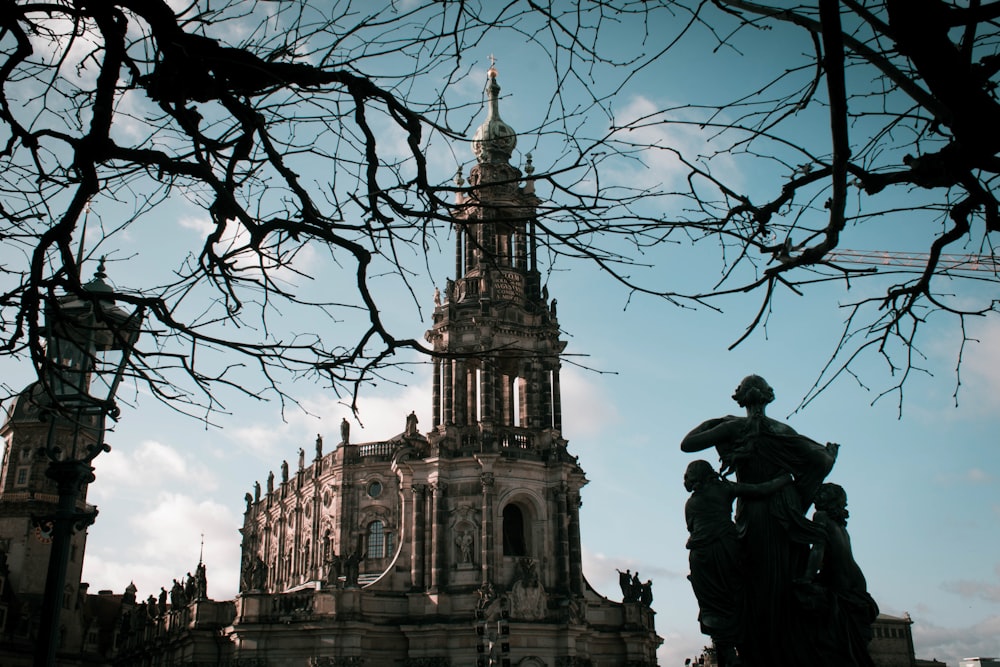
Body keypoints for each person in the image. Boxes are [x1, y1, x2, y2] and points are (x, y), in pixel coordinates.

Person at [680, 375, 837, 666]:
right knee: (783, 577)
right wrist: (794, 489)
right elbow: (823, 462)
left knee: (749, 579)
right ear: (768, 397)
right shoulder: (783, 429)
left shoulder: (733, 427)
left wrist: (716, 423)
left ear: (739, 399)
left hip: (751, 510)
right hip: (784, 508)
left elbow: (688, 444)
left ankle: (755, 649)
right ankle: (788, 648)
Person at [683, 458, 792, 667]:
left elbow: (692, 528)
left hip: (700, 557)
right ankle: (743, 646)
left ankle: (726, 651)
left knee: (711, 605)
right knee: (735, 596)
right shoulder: (723, 489)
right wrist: (784, 479)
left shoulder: (691, 503)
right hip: (725, 549)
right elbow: (760, 490)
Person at [797, 483, 879, 667]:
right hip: (856, 583)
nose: (816, 496)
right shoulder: (840, 525)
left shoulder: (821, 517)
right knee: (852, 645)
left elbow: (818, 548)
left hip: (839, 583)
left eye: (821, 494)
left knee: (836, 641)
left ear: (828, 499)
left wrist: (807, 578)